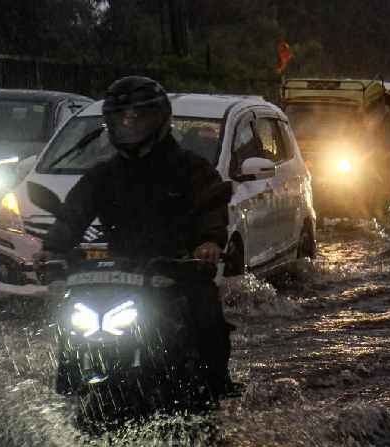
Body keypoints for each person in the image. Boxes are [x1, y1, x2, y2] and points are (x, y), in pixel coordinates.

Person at [35, 76, 241, 398]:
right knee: (71, 318)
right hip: (120, 274)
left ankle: (216, 387)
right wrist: (52, 249)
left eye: (138, 118)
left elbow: (211, 205)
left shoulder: (191, 169)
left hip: (178, 272)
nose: (130, 126)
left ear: (160, 119)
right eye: (121, 119)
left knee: (206, 316)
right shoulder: (102, 175)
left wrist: (209, 243)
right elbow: (73, 213)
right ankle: (70, 388)